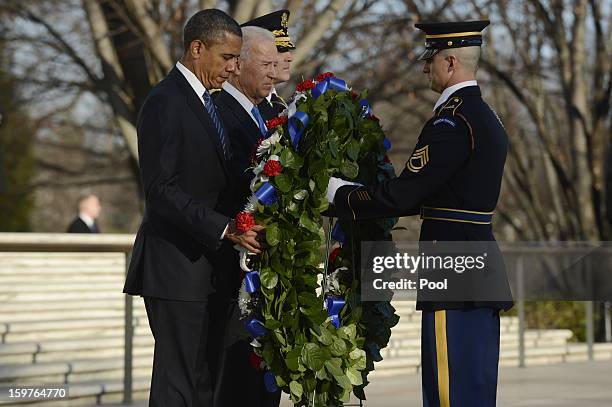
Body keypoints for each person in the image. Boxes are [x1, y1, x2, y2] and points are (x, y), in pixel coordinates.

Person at [326, 20, 513, 407]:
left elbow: (404, 194)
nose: (425, 68)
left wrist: (341, 196)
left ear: (449, 63)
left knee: (449, 390)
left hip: (453, 268)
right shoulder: (486, 117)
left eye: (429, 60)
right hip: (477, 265)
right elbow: (425, 194)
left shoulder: (452, 121)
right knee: (474, 388)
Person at [123, 9, 264, 407]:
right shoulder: (165, 101)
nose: (234, 68)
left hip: (210, 269)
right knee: (179, 385)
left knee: (204, 384)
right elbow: (161, 190)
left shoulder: (211, 104)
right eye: (227, 58)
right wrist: (224, 228)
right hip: (175, 269)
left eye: (238, 59)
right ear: (197, 48)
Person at [212, 26, 282, 407]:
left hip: (254, 272)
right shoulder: (221, 112)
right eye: (267, 64)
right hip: (229, 269)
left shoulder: (257, 114)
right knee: (234, 385)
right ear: (238, 66)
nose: (275, 73)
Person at [242, 10, 295, 120]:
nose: (290, 58)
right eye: (280, 50)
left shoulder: (279, 104)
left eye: (288, 50)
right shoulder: (244, 101)